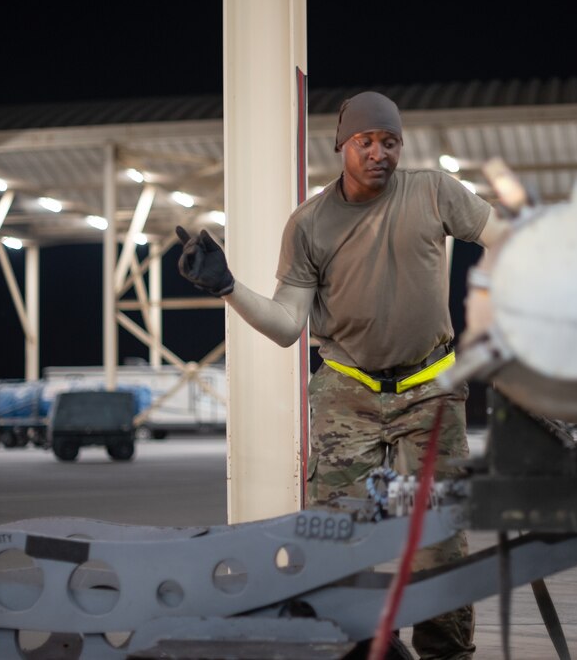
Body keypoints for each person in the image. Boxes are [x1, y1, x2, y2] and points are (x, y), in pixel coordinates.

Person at [177, 90, 506, 660]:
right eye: (366, 141)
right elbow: (286, 325)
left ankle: (446, 653)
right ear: (341, 146)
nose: (379, 153)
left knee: (437, 539)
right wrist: (228, 287)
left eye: (389, 141)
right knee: (335, 538)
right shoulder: (310, 224)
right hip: (346, 393)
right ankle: (353, 646)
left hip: (429, 389)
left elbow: (504, 236)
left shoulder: (432, 192)